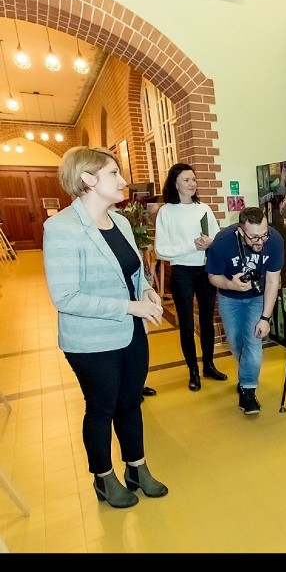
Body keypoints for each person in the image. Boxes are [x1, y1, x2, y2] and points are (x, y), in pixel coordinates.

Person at [43, 146, 168, 509]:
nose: (123, 180)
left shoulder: (122, 222)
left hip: (131, 333)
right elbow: (66, 297)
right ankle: (103, 476)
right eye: (114, 173)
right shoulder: (62, 228)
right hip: (90, 342)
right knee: (101, 408)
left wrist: (146, 289)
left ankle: (137, 468)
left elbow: (134, 271)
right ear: (87, 179)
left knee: (130, 403)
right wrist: (131, 306)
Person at [154, 163, 228, 392]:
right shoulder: (166, 212)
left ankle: (208, 365)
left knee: (207, 321)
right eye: (186, 180)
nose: (192, 184)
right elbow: (160, 250)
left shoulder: (204, 208)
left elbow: (217, 239)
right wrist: (192, 245)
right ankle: (193, 371)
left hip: (205, 270)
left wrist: (211, 243)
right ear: (175, 183)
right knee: (186, 324)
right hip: (182, 272)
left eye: (194, 179)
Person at [205, 207, 284, 415]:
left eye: (263, 235)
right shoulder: (222, 242)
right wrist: (232, 285)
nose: (260, 242)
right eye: (254, 237)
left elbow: (272, 281)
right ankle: (246, 373)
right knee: (235, 342)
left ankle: (248, 390)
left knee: (253, 343)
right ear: (240, 231)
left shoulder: (274, 240)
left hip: (258, 299)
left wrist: (266, 318)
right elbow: (212, 277)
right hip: (229, 298)